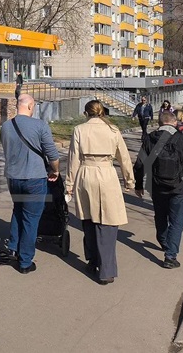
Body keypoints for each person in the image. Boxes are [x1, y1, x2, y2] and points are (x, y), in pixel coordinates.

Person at [65, 100, 134, 284]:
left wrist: (69, 184)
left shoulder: (79, 130)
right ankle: (106, 270)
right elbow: (124, 157)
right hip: (106, 174)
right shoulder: (113, 130)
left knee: (88, 220)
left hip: (86, 174)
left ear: (86, 113)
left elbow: (73, 159)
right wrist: (129, 180)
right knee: (108, 222)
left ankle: (93, 260)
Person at [133, 111, 183, 269]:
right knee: (176, 222)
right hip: (180, 187)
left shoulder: (150, 139)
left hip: (157, 186)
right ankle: (170, 256)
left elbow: (140, 165)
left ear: (159, 123)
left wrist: (138, 185)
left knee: (160, 216)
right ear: (175, 123)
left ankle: (164, 241)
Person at [0, 94, 60, 274]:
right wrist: (55, 170)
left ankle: (13, 246)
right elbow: (52, 154)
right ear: (30, 106)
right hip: (34, 179)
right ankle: (25, 261)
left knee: (18, 210)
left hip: (13, 178)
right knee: (31, 219)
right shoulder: (40, 125)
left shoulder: (6, 126)